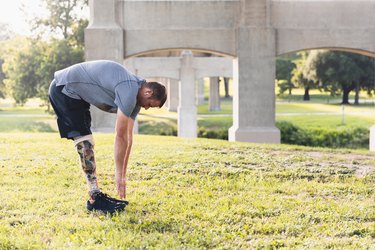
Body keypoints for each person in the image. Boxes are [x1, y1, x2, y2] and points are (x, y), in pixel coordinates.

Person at [48, 60, 167, 214]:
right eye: (150, 104)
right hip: (64, 88)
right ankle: (94, 198)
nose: (146, 107)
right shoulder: (129, 89)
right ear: (148, 92)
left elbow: (129, 139)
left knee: (87, 141)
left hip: (78, 96)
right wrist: (118, 175)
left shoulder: (135, 97)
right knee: (85, 143)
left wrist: (123, 175)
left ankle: (95, 196)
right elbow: (120, 136)